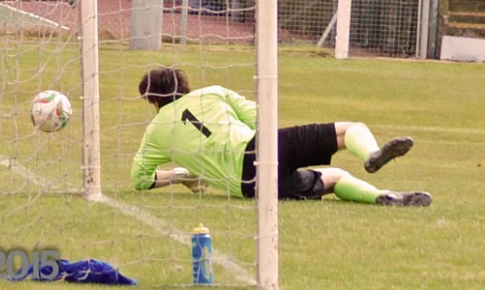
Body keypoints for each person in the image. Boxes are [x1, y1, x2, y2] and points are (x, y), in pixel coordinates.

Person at [130, 66, 432, 206]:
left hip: (248, 188)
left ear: (153, 101)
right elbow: (261, 117)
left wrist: (182, 173)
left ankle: (383, 196)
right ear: (184, 86)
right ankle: (370, 155)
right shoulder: (212, 93)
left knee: (335, 178)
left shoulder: (155, 132)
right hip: (261, 149)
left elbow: (139, 179)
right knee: (351, 129)